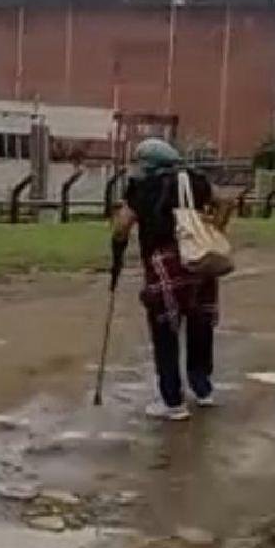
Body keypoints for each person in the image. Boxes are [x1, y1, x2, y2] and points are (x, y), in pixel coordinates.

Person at [110, 138, 232, 421]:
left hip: (164, 263)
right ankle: (202, 389)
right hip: (199, 260)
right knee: (200, 324)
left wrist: (117, 251)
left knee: (165, 330)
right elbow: (225, 202)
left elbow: (122, 227)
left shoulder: (142, 187)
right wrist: (214, 230)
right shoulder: (196, 180)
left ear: (149, 163)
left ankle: (173, 401)